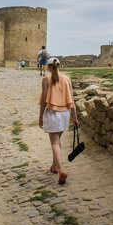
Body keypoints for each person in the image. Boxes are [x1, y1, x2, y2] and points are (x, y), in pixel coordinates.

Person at [39, 57, 79, 185]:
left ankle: (61, 170)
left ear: (48, 67)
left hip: (53, 113)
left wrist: (40, 117)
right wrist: (75, 118)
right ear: (59, 65)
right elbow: (72, 101)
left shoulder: (46, 79)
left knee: (55, 143)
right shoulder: (67, 79)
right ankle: (54, 166)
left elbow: (43, 101)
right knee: (57, 141)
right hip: (65, 114)